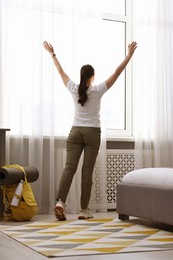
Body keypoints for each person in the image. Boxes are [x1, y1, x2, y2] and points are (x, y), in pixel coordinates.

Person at [43, 40, 137, 220]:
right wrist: (129, 55)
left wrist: (52, 54)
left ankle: (60, 202)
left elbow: (61, 72)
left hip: (75, 132)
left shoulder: (73, 88)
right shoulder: (98, 90)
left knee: (69, 168)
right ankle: (84, 210)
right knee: (87, 171)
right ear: (92, 76)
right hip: (92, 133)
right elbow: (117, 72)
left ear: (81, 76)